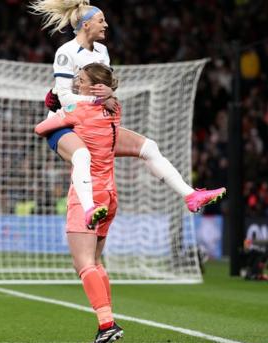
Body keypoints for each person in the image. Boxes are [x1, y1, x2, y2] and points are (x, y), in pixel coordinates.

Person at [29, 0, 226, 229]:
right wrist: (99, 98)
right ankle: (88, 208)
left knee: (149, 147)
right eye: (101, 20)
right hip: (64, 123)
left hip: (93, 123)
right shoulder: (66, 53)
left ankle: (190, 195)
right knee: (82, 156)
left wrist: (110, 92)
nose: (106, 25)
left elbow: (107, 87)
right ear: (85, 25)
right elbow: (63, 97)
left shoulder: (102, 51)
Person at [35, 63, 123, 343]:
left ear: (94, 86)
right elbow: (107, 99)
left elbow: (41, 129)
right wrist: (103, 95)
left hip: (87, 193)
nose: (76, 84)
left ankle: (107, 324)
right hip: (109, 192)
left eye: (81, 80)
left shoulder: (77, 111)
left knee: (83, 264)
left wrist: (53, 108)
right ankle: (109, 322)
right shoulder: (114, 108)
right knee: (96, 261)